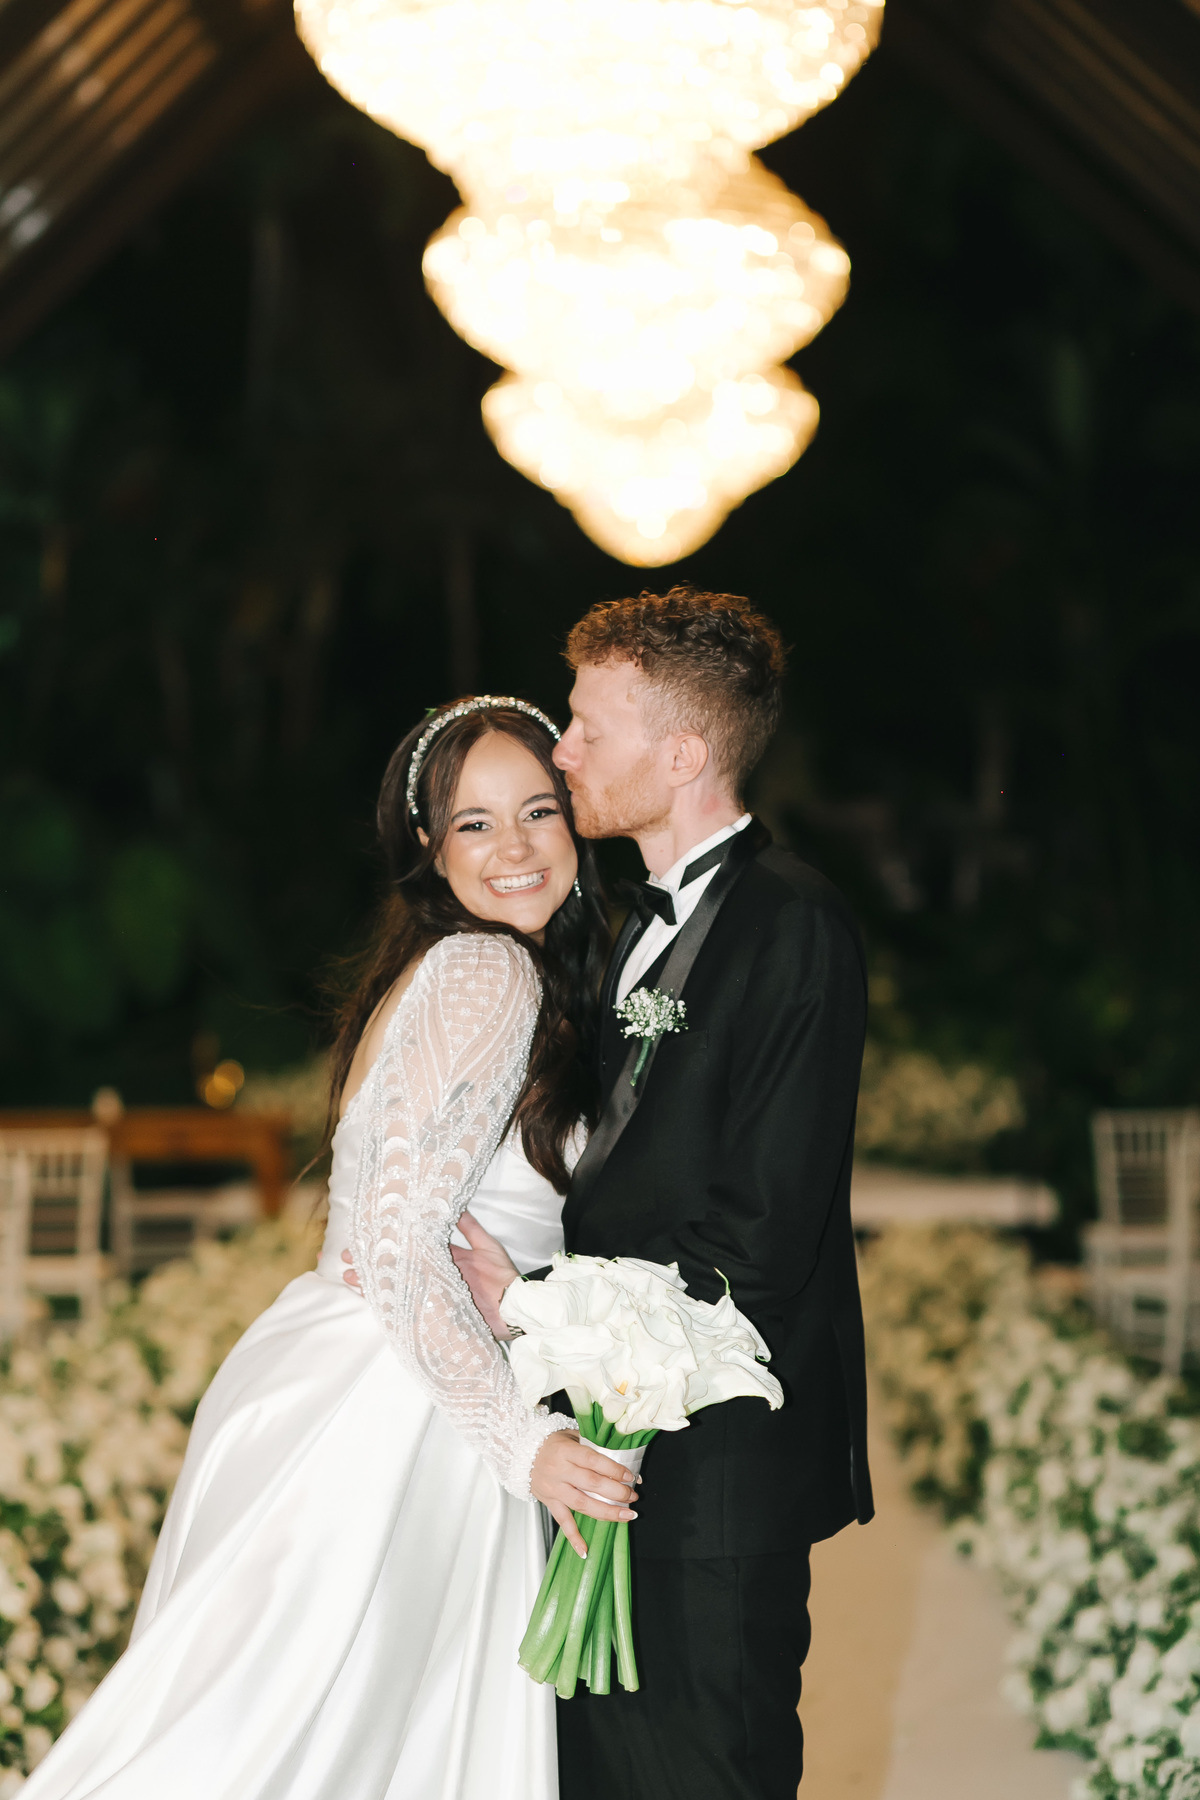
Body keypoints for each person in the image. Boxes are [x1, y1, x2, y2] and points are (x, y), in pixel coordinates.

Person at [22, 698, 637, 1800]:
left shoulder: (463, 969)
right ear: (430, 849)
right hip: (396, 1416)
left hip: (362, 1376)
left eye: (537, 811)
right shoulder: (487, 974)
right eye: (475, 824)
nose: (515, 846)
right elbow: (396, 1249)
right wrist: (524, 1443)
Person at [453, 590, 874, 1800]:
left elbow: (760, 1240)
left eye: (589, 727)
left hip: (719, 1469)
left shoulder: (793, 925)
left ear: (683, 755)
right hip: (603, 1448)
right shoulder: (608, 923)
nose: (564, 750)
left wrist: (537, 1303)